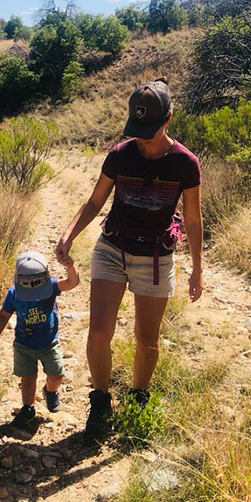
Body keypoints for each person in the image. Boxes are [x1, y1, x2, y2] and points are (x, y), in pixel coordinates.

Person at [55, 78, 203, 440]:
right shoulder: (121, 154)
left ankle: (138, 398)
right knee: (100, 331)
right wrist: (69, 233)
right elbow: (95, 202)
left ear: (169, 118)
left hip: (155, 255)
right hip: (113, 249)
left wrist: (198, 269)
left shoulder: (186, 163)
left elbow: (194, 218)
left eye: (149, 131)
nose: (143, 139)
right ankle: (100, 402)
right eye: (137, 130)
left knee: (146, 338)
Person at [0, 251, 80, 429]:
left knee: (56, 375)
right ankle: (28, 408)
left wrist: (70, 265)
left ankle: (50, 391)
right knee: (28, 378)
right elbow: (4, 314)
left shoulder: (52, 287)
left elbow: (72, 283)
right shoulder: (14, 294)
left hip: (49, 343)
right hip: (24, 345)